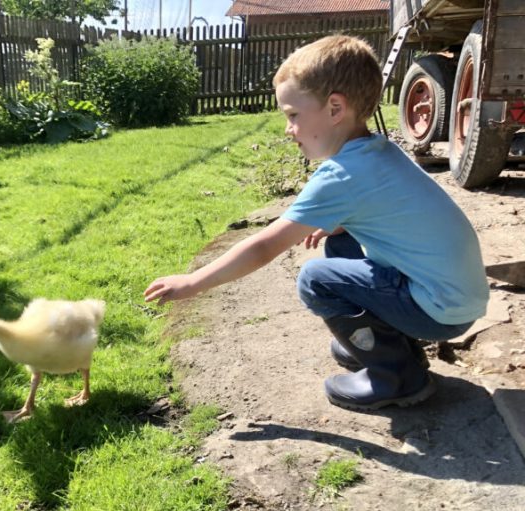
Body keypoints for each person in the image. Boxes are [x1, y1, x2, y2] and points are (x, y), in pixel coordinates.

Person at [143, 35, 489, 412]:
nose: (288, 129)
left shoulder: (341, 175)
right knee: (339, 243)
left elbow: (264, 246)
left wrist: (194, 282)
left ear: (335, 108)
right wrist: (338, 223)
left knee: (316, 278)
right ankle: (383, 343)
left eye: (293, 115)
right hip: (455, 297)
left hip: (439, 311)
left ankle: (398, 376)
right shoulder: (378, 149)